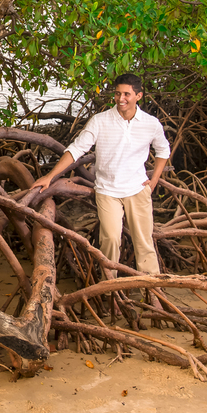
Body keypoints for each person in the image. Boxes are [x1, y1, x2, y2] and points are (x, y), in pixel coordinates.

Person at [30, 73, 170, 278]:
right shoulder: (100, 121)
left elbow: (163, 151)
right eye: (117, 94)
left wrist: (154, 182)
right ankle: (109, 289)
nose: (121, 99)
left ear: (138, 96)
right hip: (107, 190)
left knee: (144, 242)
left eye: (126, 94)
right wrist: (50, 176)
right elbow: (76, 150)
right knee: (111, 240)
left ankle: (153, 290)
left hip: (138, 189)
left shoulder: (150, 123)